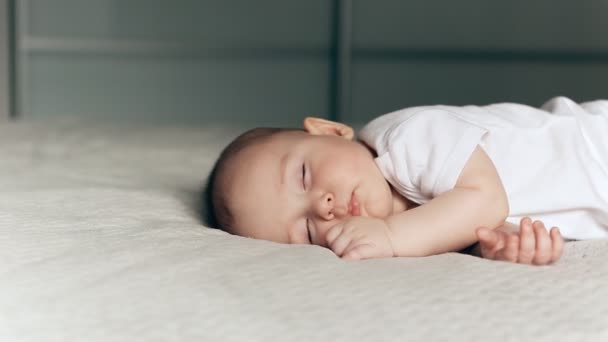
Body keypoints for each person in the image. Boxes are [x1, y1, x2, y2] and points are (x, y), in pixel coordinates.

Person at [205, 96, 608, 265]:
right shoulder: (422, 222)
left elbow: (483, 199)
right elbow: (474, 222)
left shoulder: (405, 137)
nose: (321, 206)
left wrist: (390, 236)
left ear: (330, 131)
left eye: (304, 175)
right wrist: (501, 245)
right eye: (308, 230)